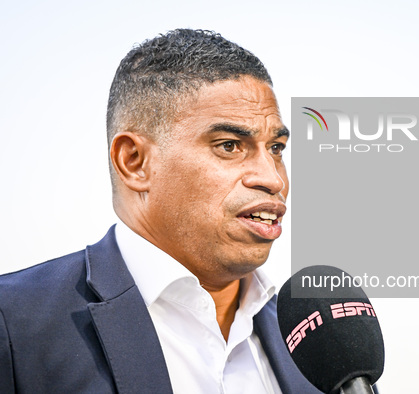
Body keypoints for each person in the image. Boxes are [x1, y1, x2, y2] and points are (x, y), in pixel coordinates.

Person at [0, 29, 321, 393]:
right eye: (230, 145)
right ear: (134, 162)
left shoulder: (317, 341)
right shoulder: (14, 323)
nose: (272, 178)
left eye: (276, 148)